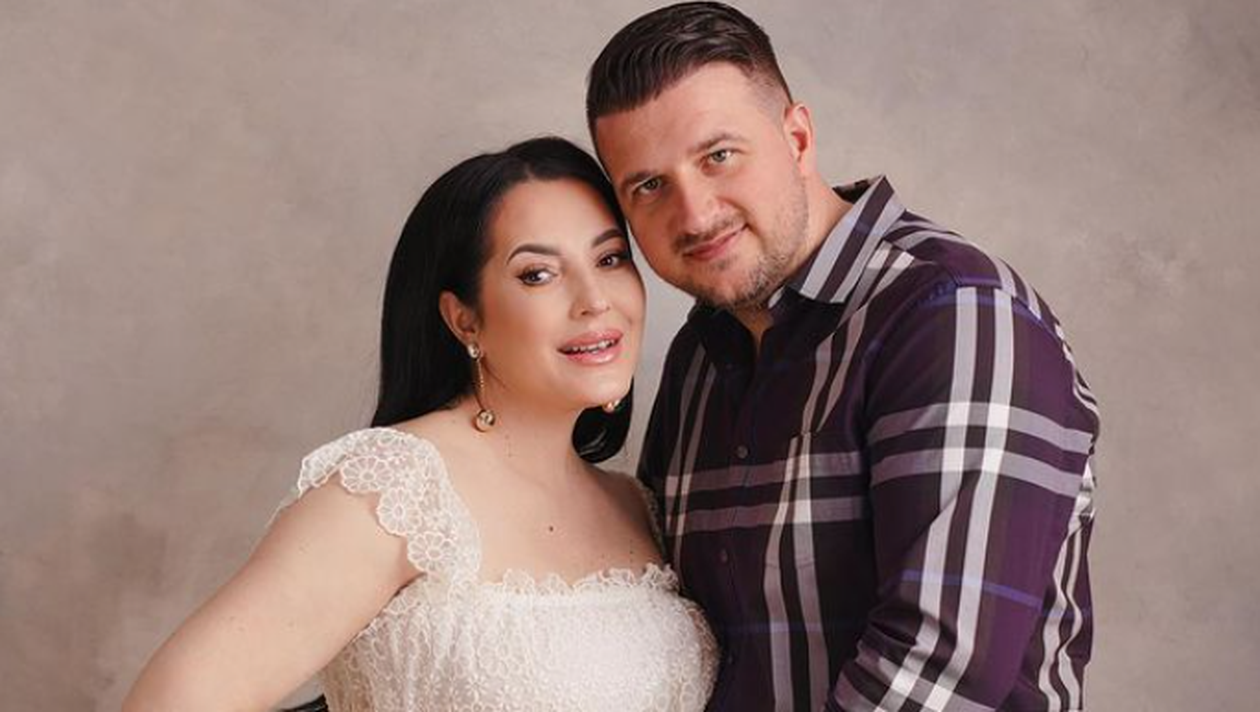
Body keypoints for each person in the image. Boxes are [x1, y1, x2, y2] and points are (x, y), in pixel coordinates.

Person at [585, 3, 1101, 711]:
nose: (695, 213)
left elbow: (938, 670)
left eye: (719, 156)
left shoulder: (954, 313)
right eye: (649, 186)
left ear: (797, 138)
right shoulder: (699, 357)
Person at [122, 137, 718, 712]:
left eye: (610, 259)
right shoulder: (396, 489)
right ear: (464, 320)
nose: (595, 300)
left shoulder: (636, 504)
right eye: (538, 274)